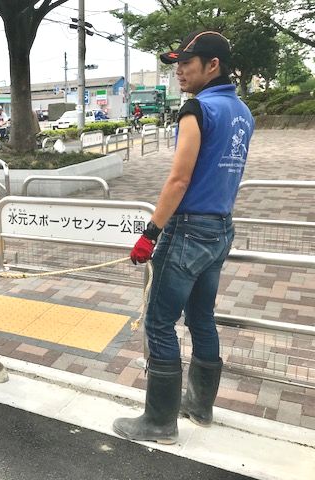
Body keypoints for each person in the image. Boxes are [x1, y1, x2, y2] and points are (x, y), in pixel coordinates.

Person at [113, 30, 254, 444]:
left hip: (188, 229)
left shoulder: (196, 109)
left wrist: (150, 232)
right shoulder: (244, 113)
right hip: (221, 229)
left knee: (159, 320)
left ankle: (158, 421)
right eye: (176, 63)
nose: (179, 71)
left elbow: (179, 179)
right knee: (201, 317)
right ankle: (199, 405)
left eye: (187, 63)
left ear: (213, 66)